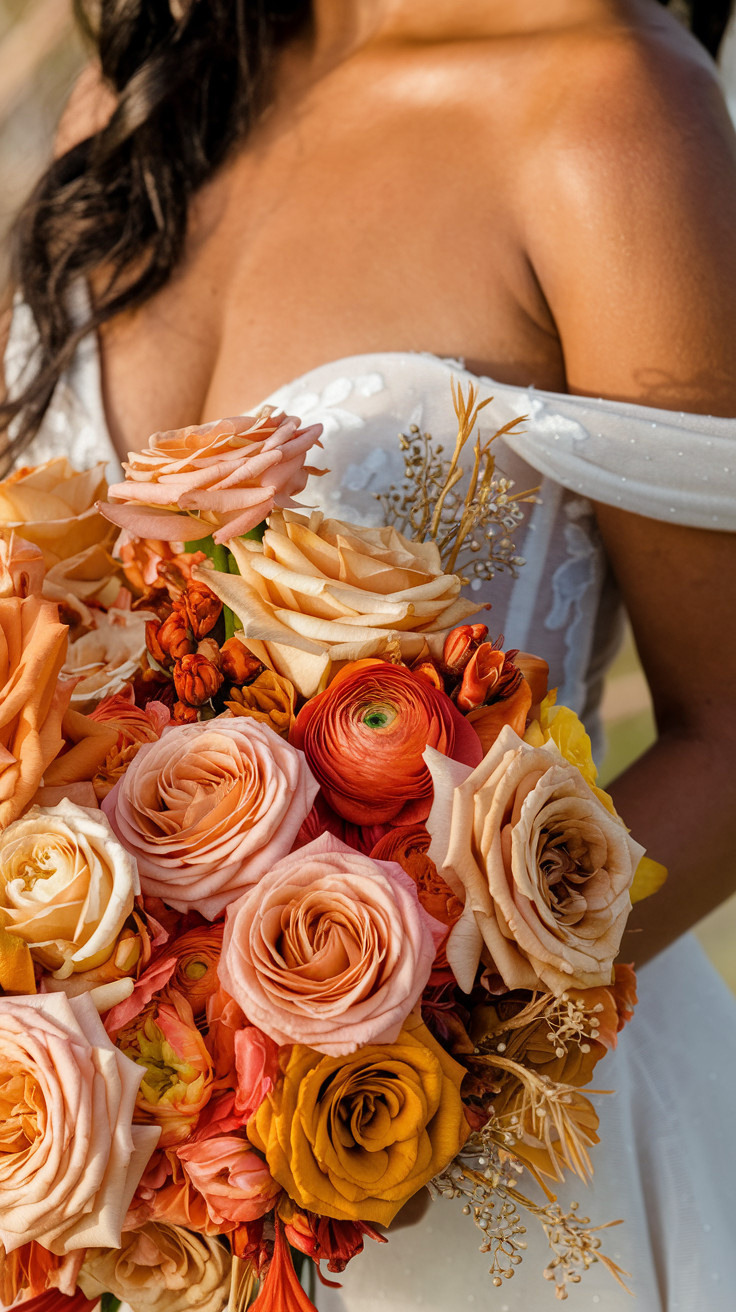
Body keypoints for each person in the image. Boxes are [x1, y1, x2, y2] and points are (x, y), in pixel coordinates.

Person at [2, 1, 736, 1307]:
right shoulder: (154, 95)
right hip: (102, 1192)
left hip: (471, 1176)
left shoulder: (605, 109)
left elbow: (732, 731)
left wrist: (365, 1078)